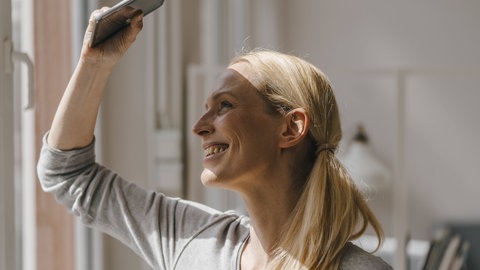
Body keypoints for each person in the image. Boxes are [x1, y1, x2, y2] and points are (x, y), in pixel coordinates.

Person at [37, 7, 393, 270]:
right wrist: (94, 65)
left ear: (290, 128)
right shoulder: (195, 240)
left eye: (224, 106)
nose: (200, 126)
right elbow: (68, 175)